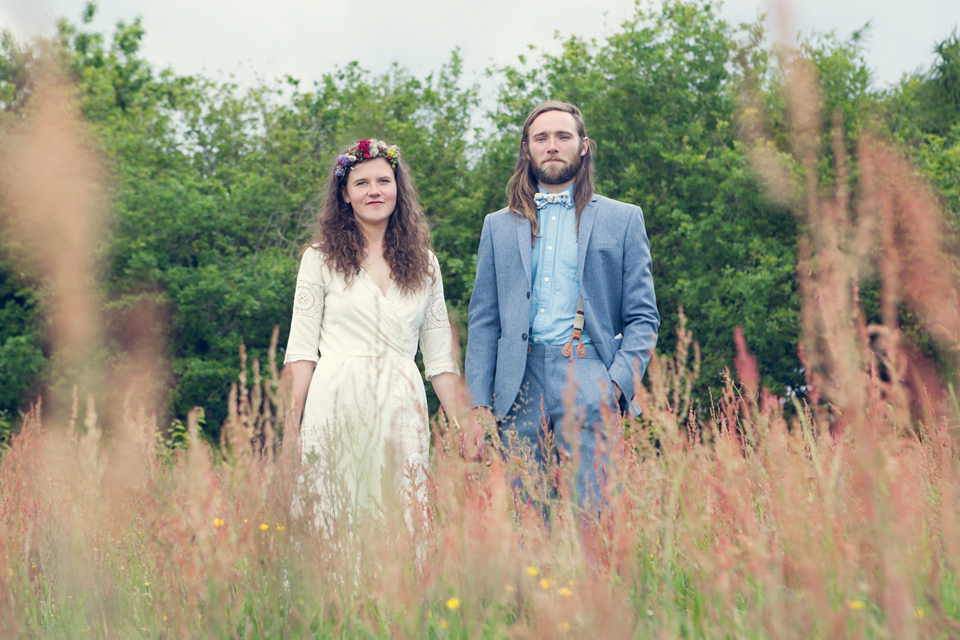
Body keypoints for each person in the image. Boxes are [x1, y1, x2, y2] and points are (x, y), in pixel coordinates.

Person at [465, 101, 660, 517]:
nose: (552, 146)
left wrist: (617, 384)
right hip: (518, 383)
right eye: (541, 138)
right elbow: (484, 320)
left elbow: (643, 316)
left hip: (590, 374)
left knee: (595, 520)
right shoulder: (497, 225)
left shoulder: (624, 219)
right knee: (525, 524)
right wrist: (480, 403)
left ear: (583, 146)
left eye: (562, 136)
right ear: (527, 149)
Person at [283, 139, 464, 518]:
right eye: (361, 183)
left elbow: (440, 359)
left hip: (403, 406)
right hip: (335, 403)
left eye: (384, 180)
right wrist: (290, 427)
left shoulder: (425, 264)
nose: (374, 191)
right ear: (345, 196)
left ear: (398, 189)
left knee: (400, 515)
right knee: (335, 513)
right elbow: (300, 352)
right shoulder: (319, 260)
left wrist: (464, 424)